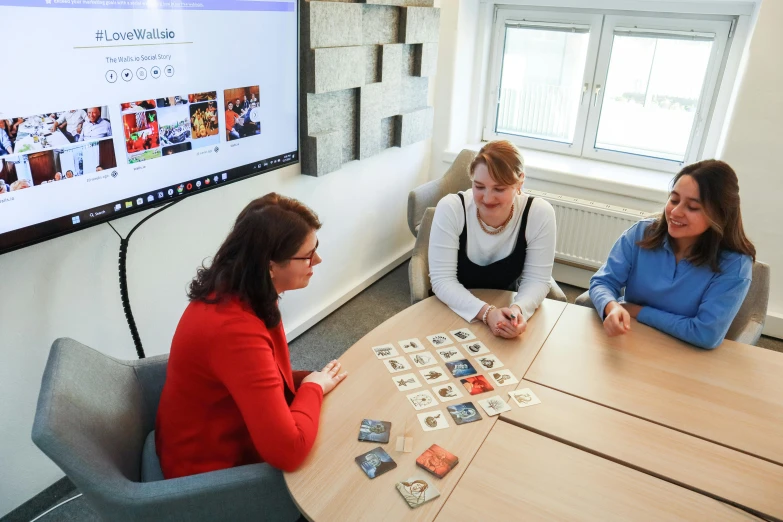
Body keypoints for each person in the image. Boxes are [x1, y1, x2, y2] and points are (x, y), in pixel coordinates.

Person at [155, 193, 347, 479]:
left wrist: (311, 379)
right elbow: (288, 452)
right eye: (307, 255)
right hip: (207, 471)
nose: (317, 260)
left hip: (222, 428)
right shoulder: (234, 331)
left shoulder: (238, 290)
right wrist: (313, 387)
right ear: (270, 266)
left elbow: (258, 375)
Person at [589, 160, 755, 350]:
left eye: (692, 207)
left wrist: (637, 310)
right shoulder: (641, 233)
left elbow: (706, 333)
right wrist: (612, 305)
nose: (675, 212)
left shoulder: (735, 264)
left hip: (686, 356)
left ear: (720, 214)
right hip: (629, 341)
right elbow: (602, 282)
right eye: (674, 200)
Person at [428, 140, 556, 338]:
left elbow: (537, 280)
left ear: (520, 182)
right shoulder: (451, 208)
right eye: (479, 186)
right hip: (453, 306)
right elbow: (442, 280)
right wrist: (487, 313)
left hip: (504, 307)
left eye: (499, 189)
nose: (487, 198)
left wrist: (517, 311)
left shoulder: (539, 213)